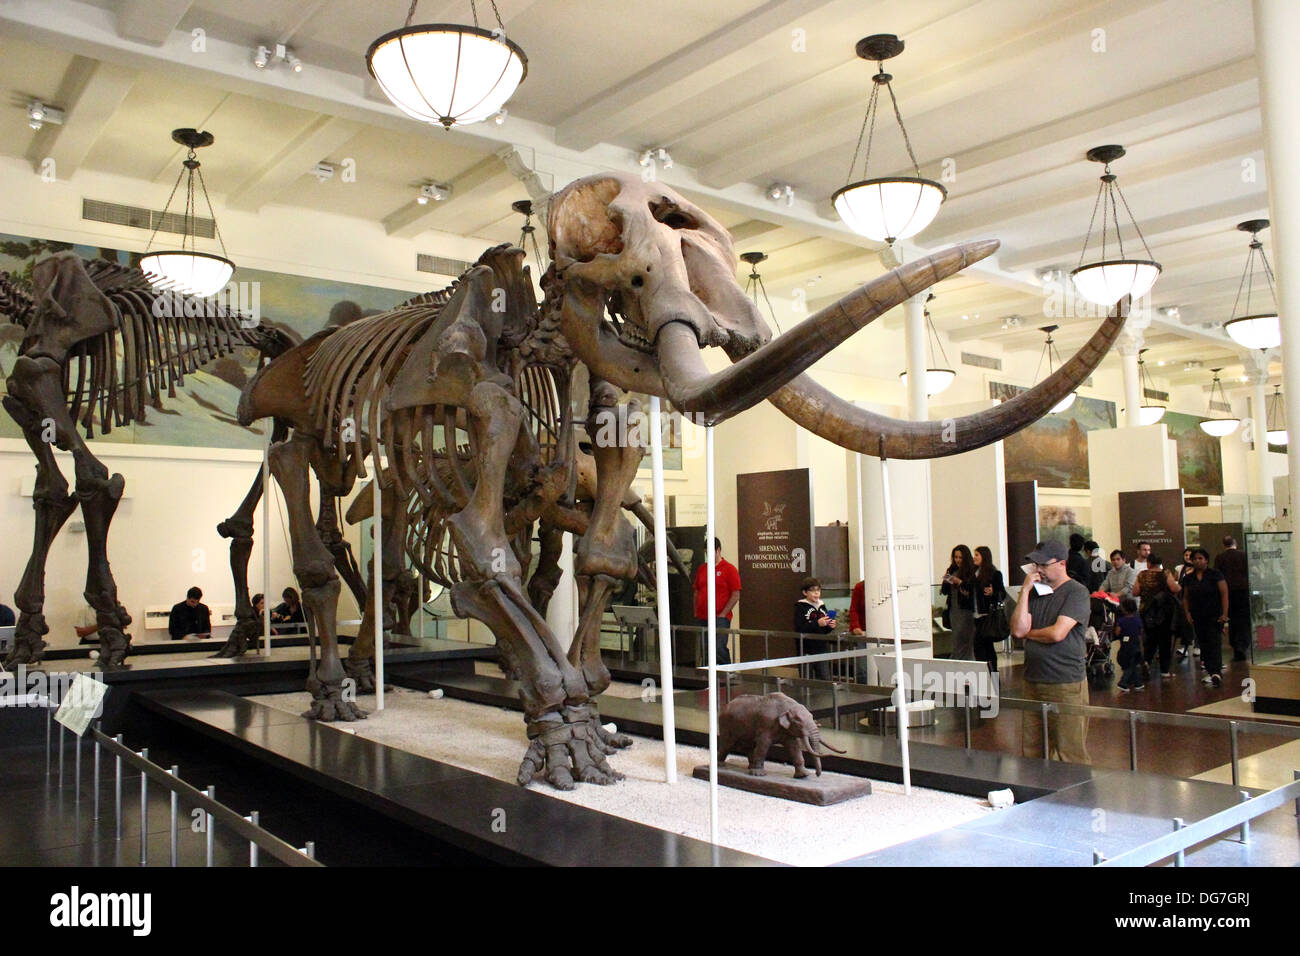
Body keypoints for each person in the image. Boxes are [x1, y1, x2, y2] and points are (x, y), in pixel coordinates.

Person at [1009, 541, 1091, 763]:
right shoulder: (1035, 592)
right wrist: (1025, 592)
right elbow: (1017, 629)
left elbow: (1057, 633)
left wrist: (1029, 633)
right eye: (1036, 564)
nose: (1038, 570)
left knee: (1069, 750)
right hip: (1033, 679)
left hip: (1065, 682)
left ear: (1062, 564)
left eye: (1043, 564)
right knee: (1033, 749)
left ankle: (1073, 796)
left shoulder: (1076, 592)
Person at [1182, 547, 1229, 687]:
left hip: (1214, 615)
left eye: (1200, 558)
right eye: (1195, 559)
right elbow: (1185, 597)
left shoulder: (1215, 574)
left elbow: (1224, 594)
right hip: (1198, 615)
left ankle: (1216, 672)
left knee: (1214, 642)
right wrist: (1187, 613)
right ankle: (1210, 669)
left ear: (1206, 560)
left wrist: (1225, 614)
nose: (1197, 561)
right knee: (1203, 643)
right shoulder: (1188, 578)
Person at [692, 537, 741, 666]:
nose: (708, 555)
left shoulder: (729, 569)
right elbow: (696, 591)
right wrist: (696, 611)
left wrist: (724, 613)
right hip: (703, 616)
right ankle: (708, 677)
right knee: (705, 649)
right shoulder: (703, 569)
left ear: (718, 550)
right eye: (706, 552)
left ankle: (727, 674)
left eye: (710, 551)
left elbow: (735, 594)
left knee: (719, 647)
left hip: (720, 617)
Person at [1133, 554, 1179, 679]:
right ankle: (1164, 671)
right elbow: (1175, 588)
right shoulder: (1165, 573)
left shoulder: (1142, 575)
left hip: (1146, 612)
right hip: (1163, 612)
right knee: (1165, 641)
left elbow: (1135, 591)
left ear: (1149, 563)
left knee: (1150, 640)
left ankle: (1147, 662)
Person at [793, 577, 838, 681]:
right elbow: (799, 627)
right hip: (806, 648)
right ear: (805, 592)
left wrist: (829, 626)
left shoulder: (822, 606)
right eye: (812, 591)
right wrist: (817, 623)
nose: (816, 593)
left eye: (818, 590)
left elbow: (824, 629)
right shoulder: (800, 607)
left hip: (821, 648)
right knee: (807, 678)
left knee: (825, 677)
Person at [1214, 536, 1251, 662]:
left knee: (1233, 620)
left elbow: (1217, 576)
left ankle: (1236, 647)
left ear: (1224, 545)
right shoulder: (1244, 555)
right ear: (1235, 543)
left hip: (1227, 593)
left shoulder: (1220, 558)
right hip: (1243, 592)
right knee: (1244, 621)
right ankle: (1243, 645)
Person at [971, 545, 1007, 673]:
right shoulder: (973, 573)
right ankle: (988, 677)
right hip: (975, 615)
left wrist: (993, 592)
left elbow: (1002, 593)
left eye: (977, 555)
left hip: (987, 616)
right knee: (983, 648)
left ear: (984, 557)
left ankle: (991, 677)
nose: (974, 557)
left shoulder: (994, 574)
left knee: (983, 647)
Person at [940, 545, 976, 660]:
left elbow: (972, 591)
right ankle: (958, 663)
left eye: (960, 557)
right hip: (954, 610)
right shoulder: (951, 570)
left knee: (964, 639)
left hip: (966, 611)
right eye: (956, 557)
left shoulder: (971, 572)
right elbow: (944, 591)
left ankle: (963, 663)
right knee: (956, 638)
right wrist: (947, 580)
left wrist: (960, 582)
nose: (958, 560)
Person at [1114, 597, 1145, 692]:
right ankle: (1124, 682)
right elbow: (1141, 633)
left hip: (1125, 645)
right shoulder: (1138, 620)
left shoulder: (1121, 621)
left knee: (1130, 664)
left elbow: (1117, 632)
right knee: (1133, 664)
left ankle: (1137, 683)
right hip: (1135, 644)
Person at [1174, 548, 1197, 659]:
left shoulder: (1198, 569)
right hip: (1182, 598)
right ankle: (1185, 646)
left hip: (1195, 599)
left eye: (1190, 555)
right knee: (1185, 623)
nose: (1188, 557)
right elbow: (1175, 581)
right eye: (1186, 555)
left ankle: (1198, 646)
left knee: (1196, 622)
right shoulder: (1179, 568)